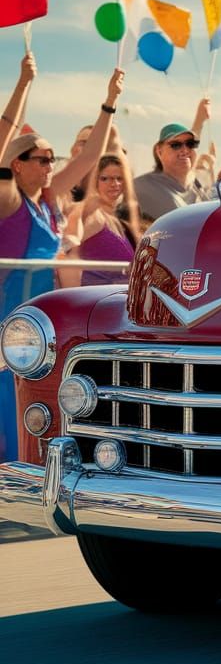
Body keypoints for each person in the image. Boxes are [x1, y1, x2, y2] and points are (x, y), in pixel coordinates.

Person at [0, 62, 123, 460]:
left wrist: (109, 103)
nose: (51, 165)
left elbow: (89, 157)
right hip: (8, 321)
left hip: (39, 324)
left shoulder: (49, 204)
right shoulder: (9, 201)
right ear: (18, 164)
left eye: (53, 158)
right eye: (42, 158)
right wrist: (23, 84)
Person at [62, 153, 141, 286]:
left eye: (119, 178)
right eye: (105, 178)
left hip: (121, 300)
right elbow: (66, 253)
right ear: (93, 181)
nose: (114, 184)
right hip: (93, 300)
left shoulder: (120, 223)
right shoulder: (89, 214)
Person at [133, 97, 212, 224]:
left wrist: (200, 119)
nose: (185, 150)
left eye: (190, 144)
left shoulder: (198, 186)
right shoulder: (144, 185)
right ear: (159, 151)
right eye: (176, 145)